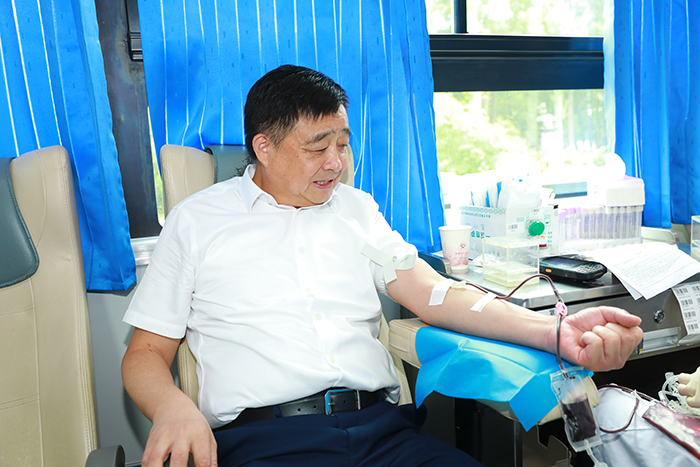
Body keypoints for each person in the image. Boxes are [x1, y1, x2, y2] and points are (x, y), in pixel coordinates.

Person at [121, 64, 644, 467]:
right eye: (317, 148)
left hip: (384, 435)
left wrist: (554, 332)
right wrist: (172, 407)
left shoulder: (356, 211)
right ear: (264, 147)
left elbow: (435, 294)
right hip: (268, 442)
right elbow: (144, 353)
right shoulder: (198, 221)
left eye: (343, 143)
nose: (336, 162)